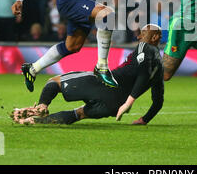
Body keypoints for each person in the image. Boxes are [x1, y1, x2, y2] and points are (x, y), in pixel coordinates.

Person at [11, 25, 164, 126]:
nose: (139, 37)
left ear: (155, 36)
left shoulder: (146, 47)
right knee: (79, 114)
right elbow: (158, 101)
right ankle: (35, 121)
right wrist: (144, 120)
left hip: (105, 85)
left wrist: (129, 103)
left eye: (143, 33)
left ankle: (41, 107)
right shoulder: (159, 69)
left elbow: (143, 72)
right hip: (113, 106)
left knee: (55, 82)